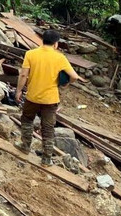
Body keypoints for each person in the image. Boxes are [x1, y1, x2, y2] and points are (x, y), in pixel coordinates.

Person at [14, 29, 81, 165]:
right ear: (56, 44)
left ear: (42, 40)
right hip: (50, 99)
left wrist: (18, 91)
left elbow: (23, 75)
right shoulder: (60, 57)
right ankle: (46, 158)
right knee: (48, 128)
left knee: (27, 120)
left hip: (32, 96)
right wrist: (65, 84)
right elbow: (74, 76)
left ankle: (25, 146)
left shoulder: (31, 54)